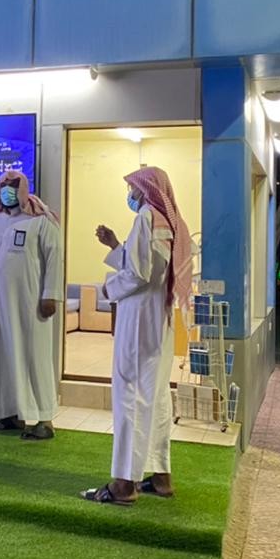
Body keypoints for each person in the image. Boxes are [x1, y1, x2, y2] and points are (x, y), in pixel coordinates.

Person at [82, 166, 193, 506]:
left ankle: (123, 484)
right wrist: (116, 245)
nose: (130, 194)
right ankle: (160, 477)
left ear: (145, 190)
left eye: (132, 188)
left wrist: (108, 286)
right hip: (158, 319)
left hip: (139, 320)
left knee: (129, 394)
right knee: (155, 396)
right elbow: (147, 265)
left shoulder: (146, 217)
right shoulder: (168, 221)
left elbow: (139, 274)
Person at [0, 170, 64, 440]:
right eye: (3, 185)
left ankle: (45, 419)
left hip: (30, 303)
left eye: (12, 185)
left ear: (23, 189)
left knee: (33, 356)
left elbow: (55, 259)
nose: (6, 190)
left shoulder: (41, 220)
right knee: (0, 355)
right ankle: (9, 414)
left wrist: (50, 295)